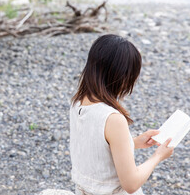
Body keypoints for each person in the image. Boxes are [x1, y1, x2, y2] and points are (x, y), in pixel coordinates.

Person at [69, 34, 174, 195]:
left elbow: (94, 148)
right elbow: (131, 184)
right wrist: (158, 157)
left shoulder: (77, 102)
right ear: (122, 77)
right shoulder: (113, 119)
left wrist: (134, 143)